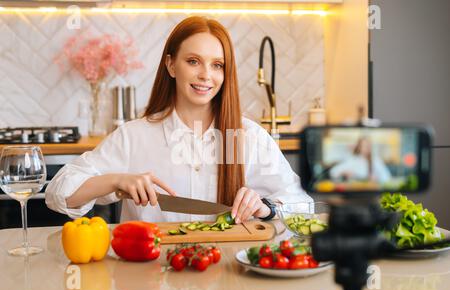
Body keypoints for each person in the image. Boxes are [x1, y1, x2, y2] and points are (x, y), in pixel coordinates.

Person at [45, 16, 312, 224]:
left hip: (229, 278)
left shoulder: (249, 137)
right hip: (151, 281)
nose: (206, 75)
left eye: (217, 65)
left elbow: (303, 205)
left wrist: (267, 208)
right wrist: (115, 181)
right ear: (171, 66)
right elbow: (58, 193)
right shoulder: (134, 136)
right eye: (193, 61)